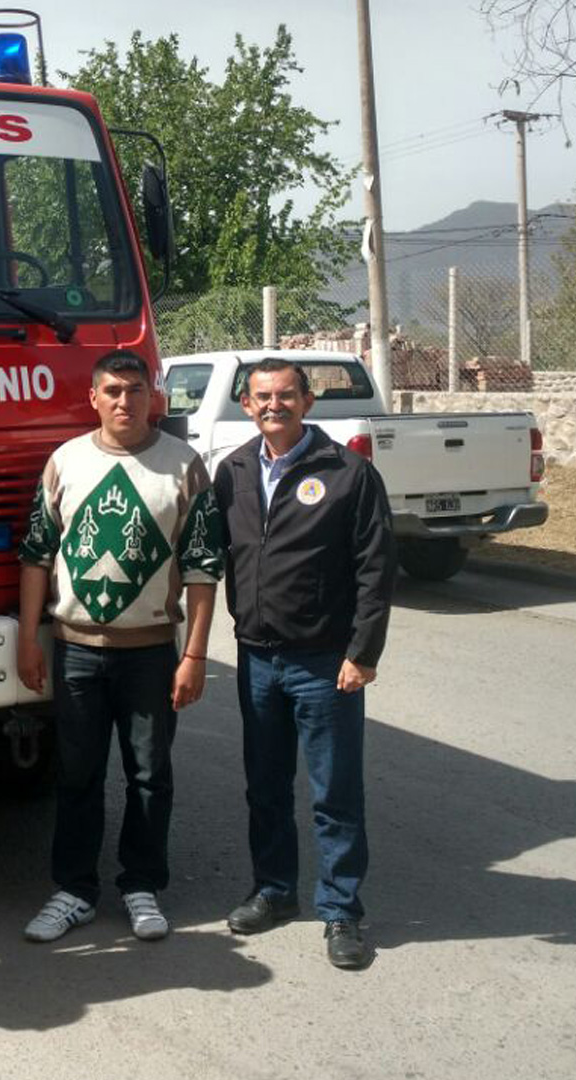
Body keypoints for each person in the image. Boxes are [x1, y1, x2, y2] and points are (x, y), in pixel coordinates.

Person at [16, 351, 223, 944]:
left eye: (135, 390)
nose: (124, 401)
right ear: (93, 398)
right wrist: (31, 640)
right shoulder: (66, 461)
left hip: (151, 652)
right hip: (75, 649)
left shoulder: (183, 465)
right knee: (76, 774)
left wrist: (195, 655)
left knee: (150, 775)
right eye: (112, 391)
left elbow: (205, 567)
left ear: (152, 395)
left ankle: (142, 886)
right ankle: (74, 891)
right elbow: (36, 556)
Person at [212, 357, 395, 970]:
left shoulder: (348, 472)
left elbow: (375, 570)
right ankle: (274, 890)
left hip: (324, 663)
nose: (274, 406)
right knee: (264, 787)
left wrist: (362, 653)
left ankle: (341, 910)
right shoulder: (232, 470)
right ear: (246, 404)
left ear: (308, 402)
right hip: (257, 658)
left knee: (334, 791)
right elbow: (212, 554)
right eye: (262, 396)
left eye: (286, 395)